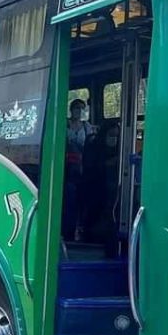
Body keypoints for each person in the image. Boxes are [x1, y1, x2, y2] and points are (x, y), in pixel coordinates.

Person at [63, 99, 95, 241]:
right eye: (77, 107)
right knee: (69, 197)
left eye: (82, 108)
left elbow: (91, 146)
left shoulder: (87, 127)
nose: (79, 111)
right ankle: (67, 230)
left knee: (81, 199)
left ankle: (80, 229)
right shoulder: (64, 124)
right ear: (71, 109)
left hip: (82, 167)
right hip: (66, 167)